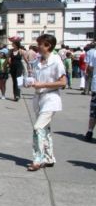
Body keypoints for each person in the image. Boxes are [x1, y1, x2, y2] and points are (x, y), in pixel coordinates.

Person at [25, 34, 66, 171]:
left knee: (38, 128)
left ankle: (38, 159)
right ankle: (49, 158)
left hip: (51, 98)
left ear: (48, 45)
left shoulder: (55, 60)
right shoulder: (38, 61)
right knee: (45, 129)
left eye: (40, 44)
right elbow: (35, 79)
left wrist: (43, 84)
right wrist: (29, 82)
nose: (38, 46)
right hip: (39, 98)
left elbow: (63, 82)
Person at [86, 45, 96, 141]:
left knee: (93, 112)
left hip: (95, 86)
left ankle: (89, 131)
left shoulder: (94, 53)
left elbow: (91, 67)